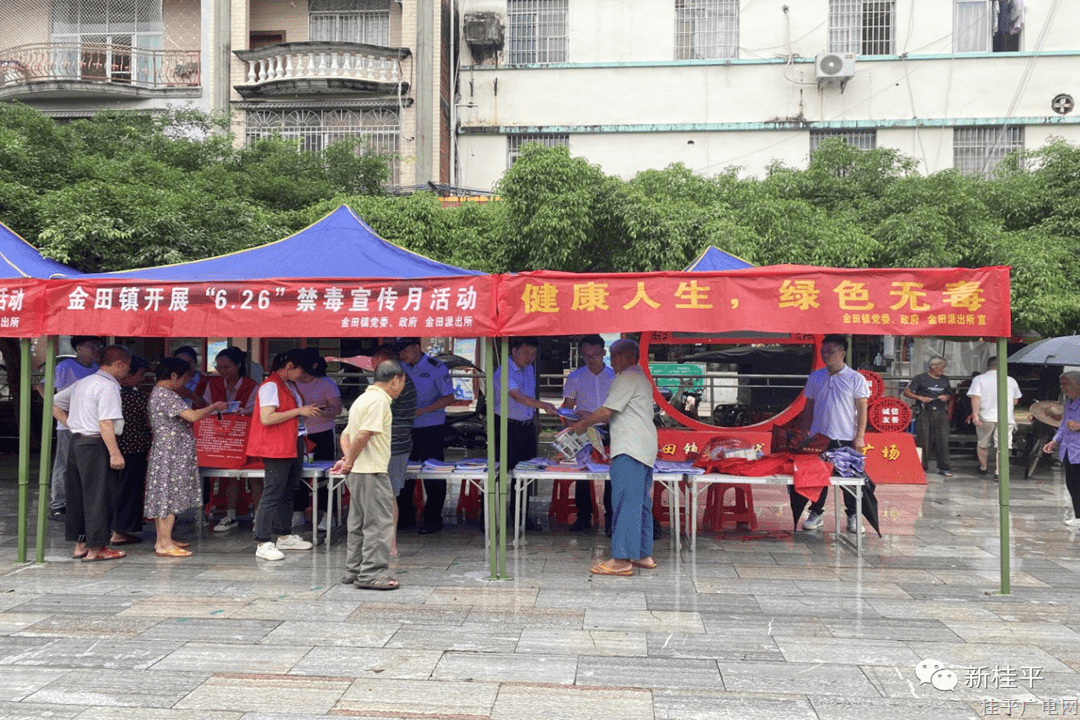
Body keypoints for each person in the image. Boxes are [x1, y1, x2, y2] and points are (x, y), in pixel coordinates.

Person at [569, 339, 657, 576]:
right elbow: (611, 414)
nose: (611, 360)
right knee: (639, 502)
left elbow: (607, 411)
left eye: (613, 356)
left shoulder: (626, 377)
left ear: (621, 357)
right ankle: (641, 553)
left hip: (629, 447)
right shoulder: (639, 377)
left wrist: (583, 423)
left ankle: (621, 559)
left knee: (626, 502)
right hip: (643, 447)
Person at [332, 359, 407, 590]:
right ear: (395, 380)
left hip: (358, 472)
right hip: (371, 471)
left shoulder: (362, 399)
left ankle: (354, 571)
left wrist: (348, 460)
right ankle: (372, 574)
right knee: (378, 525)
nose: (402, 387)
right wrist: (350, 460)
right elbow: (364, 434)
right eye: (403, 382)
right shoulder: (379, 401)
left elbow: (345, 435)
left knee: (358, 523)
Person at [51, 344, 130, 562]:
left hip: (78, 443)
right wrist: (115, 453)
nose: (127, 373)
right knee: (99, 496)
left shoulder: (83, 383)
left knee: (78, 495)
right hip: (96, 444)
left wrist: (73, 424)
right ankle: (97, 548)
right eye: (127, 367)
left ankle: (81, 544)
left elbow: (55, 403)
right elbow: (105, 422)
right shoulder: (108, 387)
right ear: (119, 364)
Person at [145, 357, 229, 557]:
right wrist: (213, 407)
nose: (184, 383)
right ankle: (164, 543)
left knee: (163, 496)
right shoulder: (166, 395)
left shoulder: (160, 393)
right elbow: (191, 416)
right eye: (183, 378)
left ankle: (163, 540)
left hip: (168, 449)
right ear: (173, 376)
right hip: (171, 451)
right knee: (169, 496)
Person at [247, 349, 321, 560]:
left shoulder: (289, 384)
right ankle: (262, 541)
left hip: (293, 441)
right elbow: (267, 418)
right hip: (276, 444)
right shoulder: (270, 385)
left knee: (290, 489)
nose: (303, 377)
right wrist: (300, 411)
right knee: (272, 492)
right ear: (290, 366)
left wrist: (304, 411)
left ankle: (284, 534)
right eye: (301, 371)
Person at [797, 335, 870, 533]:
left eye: (830, 351)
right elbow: (808, 406)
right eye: (823, 351)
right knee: (818, 477)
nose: (825, 355)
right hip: (819, 438)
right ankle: (816, 512)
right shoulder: (816, 377)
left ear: (842, 353)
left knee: (849, 478)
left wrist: (859, 436)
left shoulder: (855, 378)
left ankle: (854, 515)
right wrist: (805, 432)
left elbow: (862, 409)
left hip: (845, 437)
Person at [493, 337, 559, 531]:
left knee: (525, 473)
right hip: (505, 426)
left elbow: (530, 394)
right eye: (526, 353)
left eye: (533, 353)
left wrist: (535, 417)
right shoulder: (504, 369)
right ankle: (489, 518)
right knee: (498, 473)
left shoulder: (529, 368)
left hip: (526, 425)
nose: (530, 358)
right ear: (514, 350)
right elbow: (516, 395)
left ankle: (520, 518)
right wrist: (544, 405)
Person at [395, 337, 455, 535]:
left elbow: (448, 397)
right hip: (405, 428)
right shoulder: (400, 366)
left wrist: (423, 411)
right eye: (400, 351)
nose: (402, 355)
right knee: (404, 473)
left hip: (431, 427)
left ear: (416, 348)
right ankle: (405, 516)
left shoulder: (436, 367)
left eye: (405, 350)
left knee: (433, 474)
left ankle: (433, 519)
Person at [45, 335, 103, 522]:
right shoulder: (65, 367)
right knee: (64, 463)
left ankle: (77, 501)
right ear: (78, 348)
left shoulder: (95, 369)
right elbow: (46, 389)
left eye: (97, 346)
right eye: (91, 345)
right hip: (67, 424)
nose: (95, 349)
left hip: (90, 424)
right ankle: (58, 504)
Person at [201, 347, 259, 532]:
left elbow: (255, 408)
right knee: (229, 475)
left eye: (227, 367)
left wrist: (245, 411)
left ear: (238, 366)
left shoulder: (252, 385)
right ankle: (230, 515)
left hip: (246, 433)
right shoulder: (213, 384)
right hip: (222, 435)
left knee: (255, 474)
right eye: (219, 367)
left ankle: (259, 516)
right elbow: (206, 404)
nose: (222, 371)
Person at [561, 334, 615, 532]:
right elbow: (567, 406)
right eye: (586, 356)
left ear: (603, 353)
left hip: (612, 428)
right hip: (584, 429)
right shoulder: (576, 377)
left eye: (594, 355)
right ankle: (583, 516)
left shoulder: (615, 376)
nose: (590, 360)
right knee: (583, 473)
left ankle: (611, 518)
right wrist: (570, 430)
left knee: (612, 474)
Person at [371, 344, 416, 557]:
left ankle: (390, 545)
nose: (374, 372)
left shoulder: (397, 385)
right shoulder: (397, 382)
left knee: (388, 495)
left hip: (392, 444)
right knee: (386, 495)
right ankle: (387, 543)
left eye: (376, 367)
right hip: (393, 443)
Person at [294, 351, 343, 530]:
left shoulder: (326, 383)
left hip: (322, 432)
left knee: (324, 474)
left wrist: (320, 412)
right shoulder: (292, 383)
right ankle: (297, 512)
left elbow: (337, 408)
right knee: (298, 473)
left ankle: (327, 514)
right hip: (299, 433)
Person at [113, 355, 150, 545]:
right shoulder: (135, 397)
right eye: (140, 374)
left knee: (119, 489)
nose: (142, 378)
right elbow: (149, 421)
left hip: (116, 449)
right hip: (134, 449)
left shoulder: (113, 393)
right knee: (129, 491)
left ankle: (118, 529)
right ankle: (121, 531)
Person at [968, 356, 1023, 477]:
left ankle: (983, 467)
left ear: (987, 366)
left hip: (985, 417)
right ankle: (999, 472)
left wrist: (975, 415)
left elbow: (976, 397)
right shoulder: (1011, 380)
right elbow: (1015, 401)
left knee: (983, 443)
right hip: (1005, 417)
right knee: (1003, 445)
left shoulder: (979, 379)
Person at [902, 355, 954, 478]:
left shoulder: (945, 379)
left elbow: (949, 393)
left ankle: (944, 467)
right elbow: (906, 391)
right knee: (924, 440)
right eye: (940, 368)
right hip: (925, 411)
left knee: (943, 439)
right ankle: (921, 467)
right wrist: (920, 398)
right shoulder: (921, 378)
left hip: (940, 411)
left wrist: (945, 397)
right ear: (933, 367)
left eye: (943, 368)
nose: (942, 370)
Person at [1042, 371, 1080, 527]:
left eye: (1065, 384)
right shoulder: (1069, 403)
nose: (1062, 387)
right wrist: (1054, 441)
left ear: (1077, 384)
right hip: (1070, 450)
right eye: (1061, 384)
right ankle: (1078, 516)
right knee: (1072, 485)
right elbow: (1063, 426)